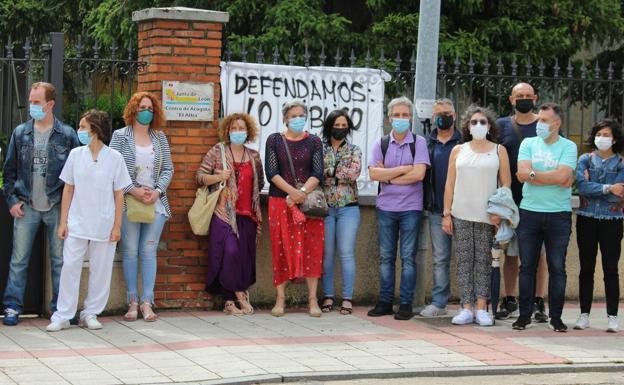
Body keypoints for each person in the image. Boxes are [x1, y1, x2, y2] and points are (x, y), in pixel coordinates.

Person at [46, 110, 131, 331]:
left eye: (83, 127)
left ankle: (91, 312)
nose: (79, 131)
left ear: (95, 130)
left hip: (104, 223)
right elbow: (68, 189)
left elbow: (119, 193)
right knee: (70, 267)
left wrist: (117, 226)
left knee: (101, 270)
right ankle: (63, 315)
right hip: (77, 222)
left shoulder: (115, 158)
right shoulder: (76, 155)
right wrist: (63, 222)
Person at [2, 82, 80, 326]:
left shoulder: (67, 135)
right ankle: (13, 307)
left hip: (57, 206)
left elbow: (77, 174)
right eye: (31, 101)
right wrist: (12, 200)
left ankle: (61, 310)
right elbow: (9, 170)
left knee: (60, 261)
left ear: (50, 104)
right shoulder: (20, 133)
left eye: (36, 102)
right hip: (26, 206)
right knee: (19, 260)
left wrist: (70, 210)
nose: (32, 106)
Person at [442, 105, 511, 326]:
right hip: (460, 213)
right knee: (463, 261)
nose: (478, 125)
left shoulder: (499, 150)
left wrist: (500, 212)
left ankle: (482, 307)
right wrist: (446, 214)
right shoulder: (458, 150)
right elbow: (449, 184)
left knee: (484, 261)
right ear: (467, 126)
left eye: (483, 122)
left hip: (487, 216)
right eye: (474, 122)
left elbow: (506, 183)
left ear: (489, 126)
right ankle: (466, 307)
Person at [109, 91, 173, 322]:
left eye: (150, 108)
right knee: (129, 251)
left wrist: (157, 191)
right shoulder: (119, 136)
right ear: (133, 109)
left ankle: (147, 302)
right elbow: (113, 169)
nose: (146, 112)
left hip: (154, 204)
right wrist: (132, 190)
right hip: (128, 202)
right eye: (142, 107)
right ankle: (132, 302)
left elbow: (168, 169)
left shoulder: (160, 137)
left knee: (147, 251)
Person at [513, 103, 577, 332]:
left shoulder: (568, 147)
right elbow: (520, 174)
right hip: (530, 212)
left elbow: (562, 176)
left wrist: (533, 175)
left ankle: (556, 318)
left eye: (544, 120)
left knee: (557, 267)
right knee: (527, 267)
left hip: (558, 215)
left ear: (556, 124)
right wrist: (548, 177)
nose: (539, 124)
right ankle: (523, 316)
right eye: (539, 119)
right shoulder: (528, 143)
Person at [367, 96, 430, 321]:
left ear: (411, 118)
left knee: (408, 258)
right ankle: (385, 302)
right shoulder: (381, 143)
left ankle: (405, 304)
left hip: (411, 208)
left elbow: (419, 174)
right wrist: (404, 170)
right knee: (386, 257)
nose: (401, 119)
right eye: (397, 115)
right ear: (389, 118)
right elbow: (374, 174)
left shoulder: (419, 142)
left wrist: (389, 176)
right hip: (386, 207)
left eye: (405, 115)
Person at [197, 113, 264, 315]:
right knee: (230, 253)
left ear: (248, 131)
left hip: (247, 214)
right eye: (233, 128)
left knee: (243, 258)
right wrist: (218, 176)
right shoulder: (217, 152)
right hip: (223, 214)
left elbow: (259, 183)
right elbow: (200, 177)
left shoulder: (254, 156)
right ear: (227, 131)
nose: (237, 132)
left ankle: (228, 302)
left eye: (241, 128)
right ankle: (240, 296)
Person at [265, 100, 324, 317]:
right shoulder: (274, 140)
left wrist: (302, 193)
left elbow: (318, 172)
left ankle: (312, 299)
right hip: (280, 203)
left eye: (301, 115)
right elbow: (271, 172)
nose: (297, 119)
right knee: (280, 248)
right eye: (293, 115)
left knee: (312, 249)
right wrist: (292, 192)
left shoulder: (315, 141)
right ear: (285, 118)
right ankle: (280, 299)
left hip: (309, 205)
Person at [496, 82, 549, 323]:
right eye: (520, 96)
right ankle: (509, 298)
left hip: (539, 200)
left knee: (539, 255)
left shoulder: (546, 125)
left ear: (536, 98)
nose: (524, 99)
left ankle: (539, 301)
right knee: (510, 253)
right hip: (511, 199)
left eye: (528, 96)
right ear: (511, 99)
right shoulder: (501, 126)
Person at [574, 119, 624, 333]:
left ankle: (612, 316)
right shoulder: (585, 159)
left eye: (606, 134)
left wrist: (602, 189)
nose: (602, 138)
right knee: (586, 268)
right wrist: (607, 188)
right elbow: (582, 187)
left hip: (612, 221)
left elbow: (619, 194)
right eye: (599, 134)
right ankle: (583, 314)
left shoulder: (621, 163)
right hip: (586, 218)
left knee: (610, 269)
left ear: (614, 139)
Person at [420, 98, 461, 317]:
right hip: (437, 210)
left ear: (454, 115)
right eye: (438, 114)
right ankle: (439, 302)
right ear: (433, 117)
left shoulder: (464, 142)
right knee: (440, 258)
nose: (443, 117)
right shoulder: (427, 143)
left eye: (447, 113)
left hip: (464, 209)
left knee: (467, 258)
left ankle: (470, 302)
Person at [320, 110, 362, 315]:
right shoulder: (319, 148)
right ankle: (327, 296)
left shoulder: (354, 149)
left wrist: (329, 172)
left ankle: (347, 298)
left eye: (344, 125)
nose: (340, 128)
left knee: (346, 253)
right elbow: (315, 171)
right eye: (336, 125)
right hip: (325, 208)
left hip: (349, 208)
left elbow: (354, 173)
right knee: (327, 255)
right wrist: (337, 174)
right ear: (329, 126)